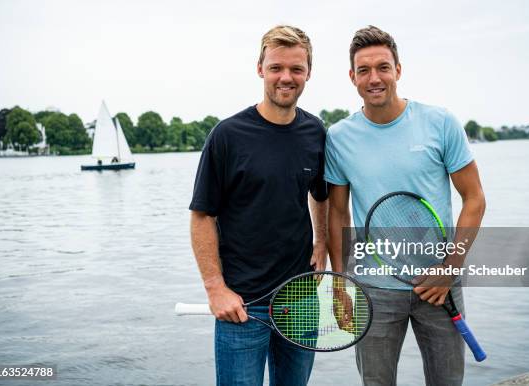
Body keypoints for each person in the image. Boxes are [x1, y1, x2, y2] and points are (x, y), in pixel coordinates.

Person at [325, 26, 486, 386]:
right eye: (363, 70)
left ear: (398, 70)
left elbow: (474, 198)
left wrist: (451, 266)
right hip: (373, 289)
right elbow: (337, 213)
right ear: (352, 77)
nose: (374, 78)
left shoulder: (440, 122)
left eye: (383, 67)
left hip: (439, 283)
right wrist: (340, 283)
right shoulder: (338, 138)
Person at [189, 25, 329, 386]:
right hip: (242, 304)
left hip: (300, 300)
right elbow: (202, 216)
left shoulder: (315, 132)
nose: (286, 77)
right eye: (276, 67)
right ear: (260, 69)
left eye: (296, 69)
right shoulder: (228, 135)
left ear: (308, 73)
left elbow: (321, 194)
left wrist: (322, 242)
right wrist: (214, 288)